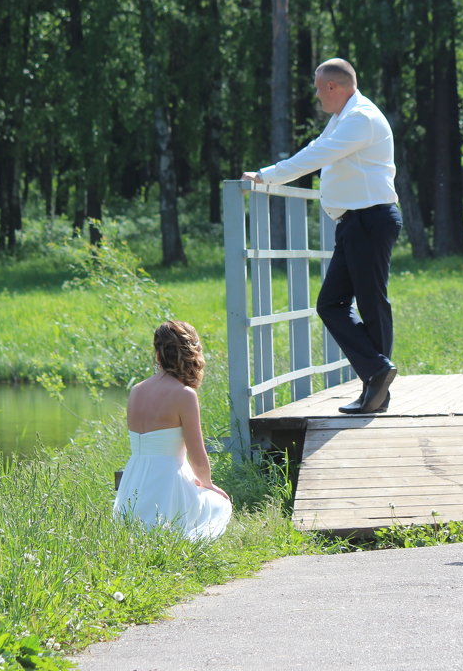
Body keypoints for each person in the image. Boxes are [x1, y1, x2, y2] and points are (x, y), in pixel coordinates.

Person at [241, 58, 402, 415]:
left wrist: (267, 176)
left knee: (370, 304)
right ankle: (376, 380)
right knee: (331, 304)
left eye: (318, 88)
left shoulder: (360, 118)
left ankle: (376, 385)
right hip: (355, 222)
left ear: (334, 87)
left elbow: (316, 155)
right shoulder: (343, 117)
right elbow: (319, 148)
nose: (316, 95)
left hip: (370, 219)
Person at [112, 320, 232, 541]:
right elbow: (197, 456)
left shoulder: (136, 390)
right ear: (191, 353)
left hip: (133, 482)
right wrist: (208, 485)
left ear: (157, 353)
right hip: (167, 484)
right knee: (220, 505)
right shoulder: (184, 395)